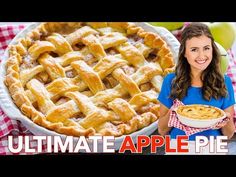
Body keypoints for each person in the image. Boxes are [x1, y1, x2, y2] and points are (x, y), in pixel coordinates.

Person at [157, 22, 235, 154]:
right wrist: (174, 113)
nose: (201, 56)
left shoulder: (224, 82)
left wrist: (225, 120)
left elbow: (228, 134)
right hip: (179, 148)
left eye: (206, 48)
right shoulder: (171, 80)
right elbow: (162, 130)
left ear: (213, 50)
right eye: (194, 50)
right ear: (185, 53)